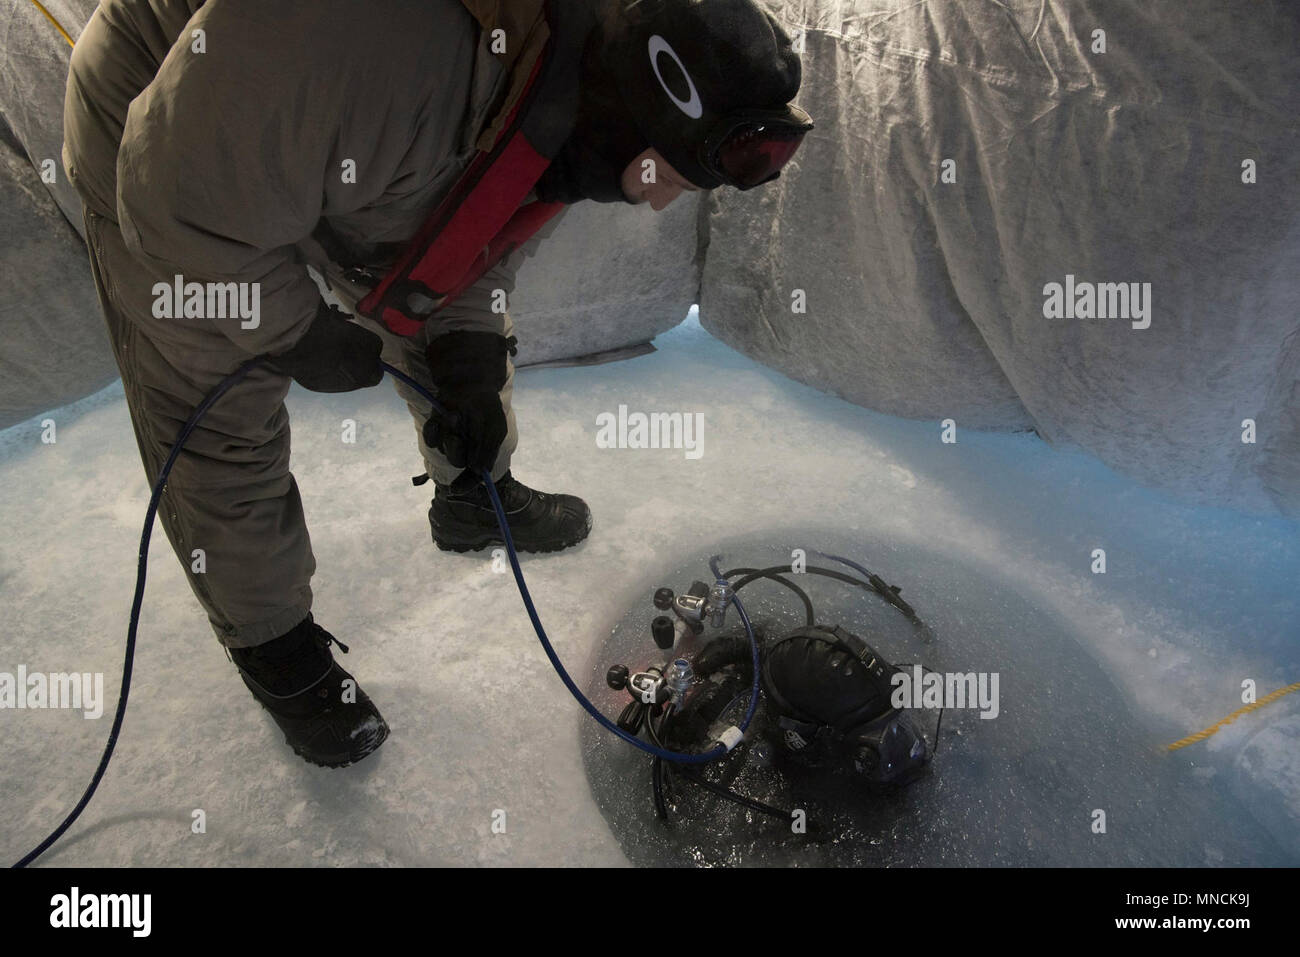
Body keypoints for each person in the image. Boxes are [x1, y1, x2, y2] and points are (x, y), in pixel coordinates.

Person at [61, 0, 812, 767]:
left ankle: (471, 496)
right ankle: (272, 648)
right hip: (174, 140)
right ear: (640, 116)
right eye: (674, 180)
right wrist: (294, 332)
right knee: (220, 389)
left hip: (323, 122)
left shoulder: (576, 89)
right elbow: (175, 201)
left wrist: (469, 355)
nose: (663, 201)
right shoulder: (386, 45)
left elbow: (482, 227)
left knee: (446, 329)